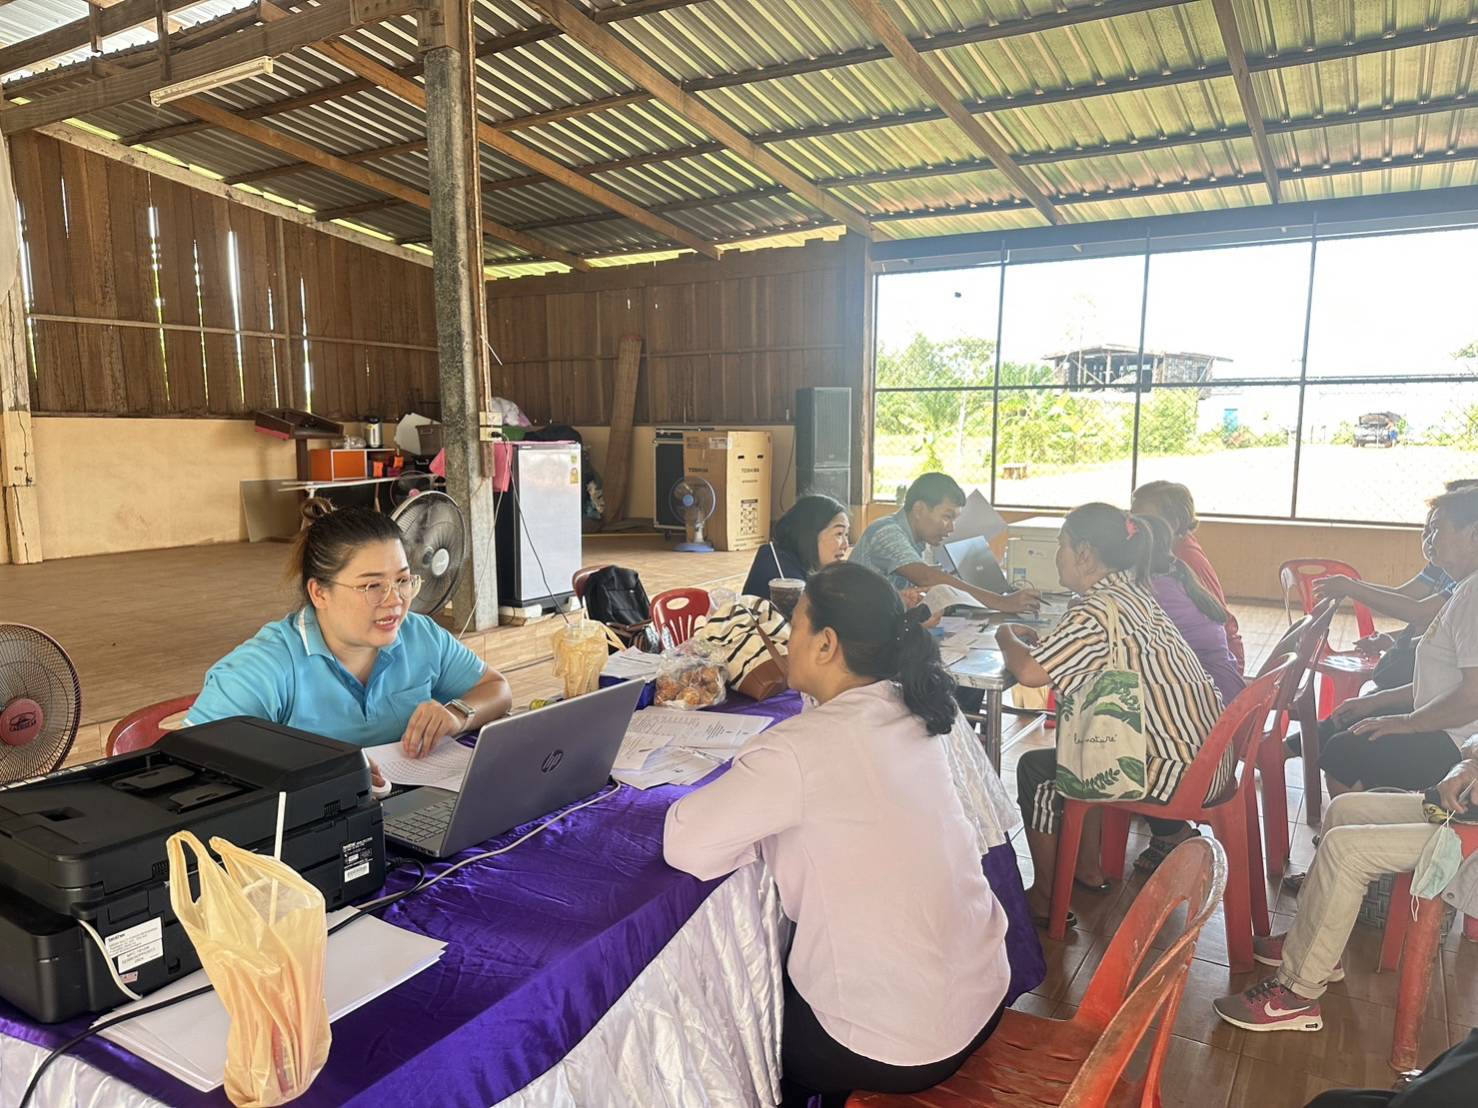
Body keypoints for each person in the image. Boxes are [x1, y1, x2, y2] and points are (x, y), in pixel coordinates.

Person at [664, 562, 1010, 1106]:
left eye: (795, 625)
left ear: (826, 644)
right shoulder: (912, 709)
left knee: (729, 1032)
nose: (787, 640)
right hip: (982, 997)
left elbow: (686, 842)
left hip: (898, 1043)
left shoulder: (800, 749)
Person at [996, 503, 1224, 921]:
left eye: (1062, 545)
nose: (1057, 556)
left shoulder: (1097, 610)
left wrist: (1004, 633)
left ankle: (1046, 899)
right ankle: (1085, 869)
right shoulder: (1131, 591)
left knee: (1036, 771)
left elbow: (1028, 672)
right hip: (1209, 758)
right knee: (1085, 745)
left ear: (1084, 553)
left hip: (1176, 772)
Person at [186, 500, 513, 782]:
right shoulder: (267, 665)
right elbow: (191, 757)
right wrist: (321, 764)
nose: (395, 601)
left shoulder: (419, 636)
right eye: (372, 586)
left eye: (402, 580)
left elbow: (497, 688)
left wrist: (457, 713)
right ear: (319, 593)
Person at [1212, 745, 1478, 1033]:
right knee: (1344, 809)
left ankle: (1297, 995)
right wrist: (1467, 767)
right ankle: (1313, 949)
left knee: (1344, 851)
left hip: (1471, 841)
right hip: (1465, 813)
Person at [1308, 484, 1478, 797]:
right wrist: (1376, 702)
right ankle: (1363, 817)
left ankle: (1357, 825)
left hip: (1457, 741)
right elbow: (1440, 685)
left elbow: (1472, 697)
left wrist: (1408, 722)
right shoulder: (1464, 587)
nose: (1429, 539)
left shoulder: (1473, 594)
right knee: (1351, 723)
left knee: (1344, 753)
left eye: (1437, 529)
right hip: (1445, 725)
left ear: (1474, 534)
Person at [1313, 478, 1478, 689]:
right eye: (1428, 530)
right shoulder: (1443, 569)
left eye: (1437, 528)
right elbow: (1406, 597)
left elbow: (1419, 613)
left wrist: (1350, 587)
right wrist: (1391, 638)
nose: (1429, 538)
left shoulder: (1469, 585)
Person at [850, 472, 1039, 615]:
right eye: (947, 517)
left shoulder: (918, 540)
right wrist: (1002, 602)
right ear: (919, 509)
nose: (951, 528)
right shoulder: (886, 532)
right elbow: (927, 577)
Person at [1131, 480, 1245, 671]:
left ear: (1173, 523)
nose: (1132, 528)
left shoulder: (1182, 558)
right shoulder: (1176, 547)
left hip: (1219, 664)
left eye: (1142, 520)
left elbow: (1218, 619)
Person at [742, 494, 850, 596]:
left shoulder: (801, 563)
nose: (846, 545)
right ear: (809, 534)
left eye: (846, 534)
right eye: (839, 534)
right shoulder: (783, 575)